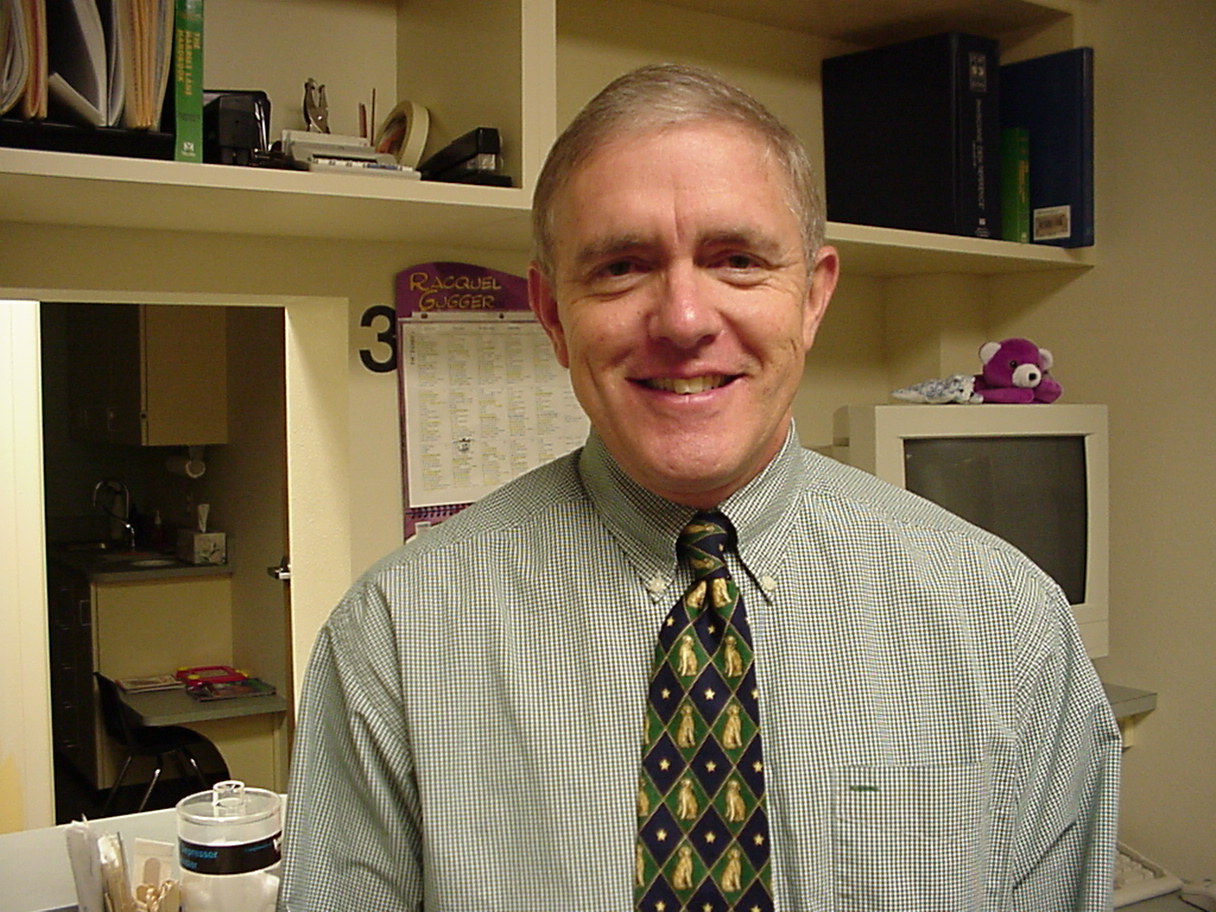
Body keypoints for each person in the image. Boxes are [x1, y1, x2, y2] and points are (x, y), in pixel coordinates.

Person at [278, 63, 1120, 911]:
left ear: (813, 298)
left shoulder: (1010, 629)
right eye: (620, 266)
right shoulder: (393, 642)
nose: (683, 319)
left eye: (737, 259)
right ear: (553, 314)